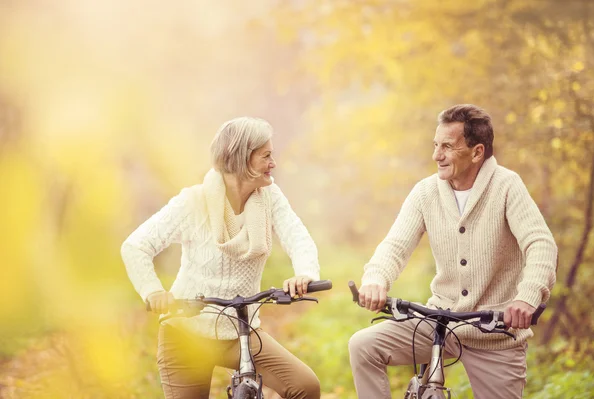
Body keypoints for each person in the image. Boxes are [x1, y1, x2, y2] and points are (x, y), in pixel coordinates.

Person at [348, 104, 558, 399]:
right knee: (363, 345)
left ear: (477, 152)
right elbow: (395, 246)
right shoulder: (426, 192)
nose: (436, 155)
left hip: (495, 333)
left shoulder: (507, 186)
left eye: (447, 146)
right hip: (438, 324)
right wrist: (376, 279)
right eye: (435, 145)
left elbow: (541, 244)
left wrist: (527, 296)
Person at [121, 117, 321, 399]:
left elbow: (298, 238)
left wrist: (305, 273)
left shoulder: (270, 198)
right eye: (266, 156)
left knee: (305, 386)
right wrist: (152, 290)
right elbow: (135, 246)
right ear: (241, 159)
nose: (273, 164)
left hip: (241, 331)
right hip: (186, 333)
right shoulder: (193, 202)